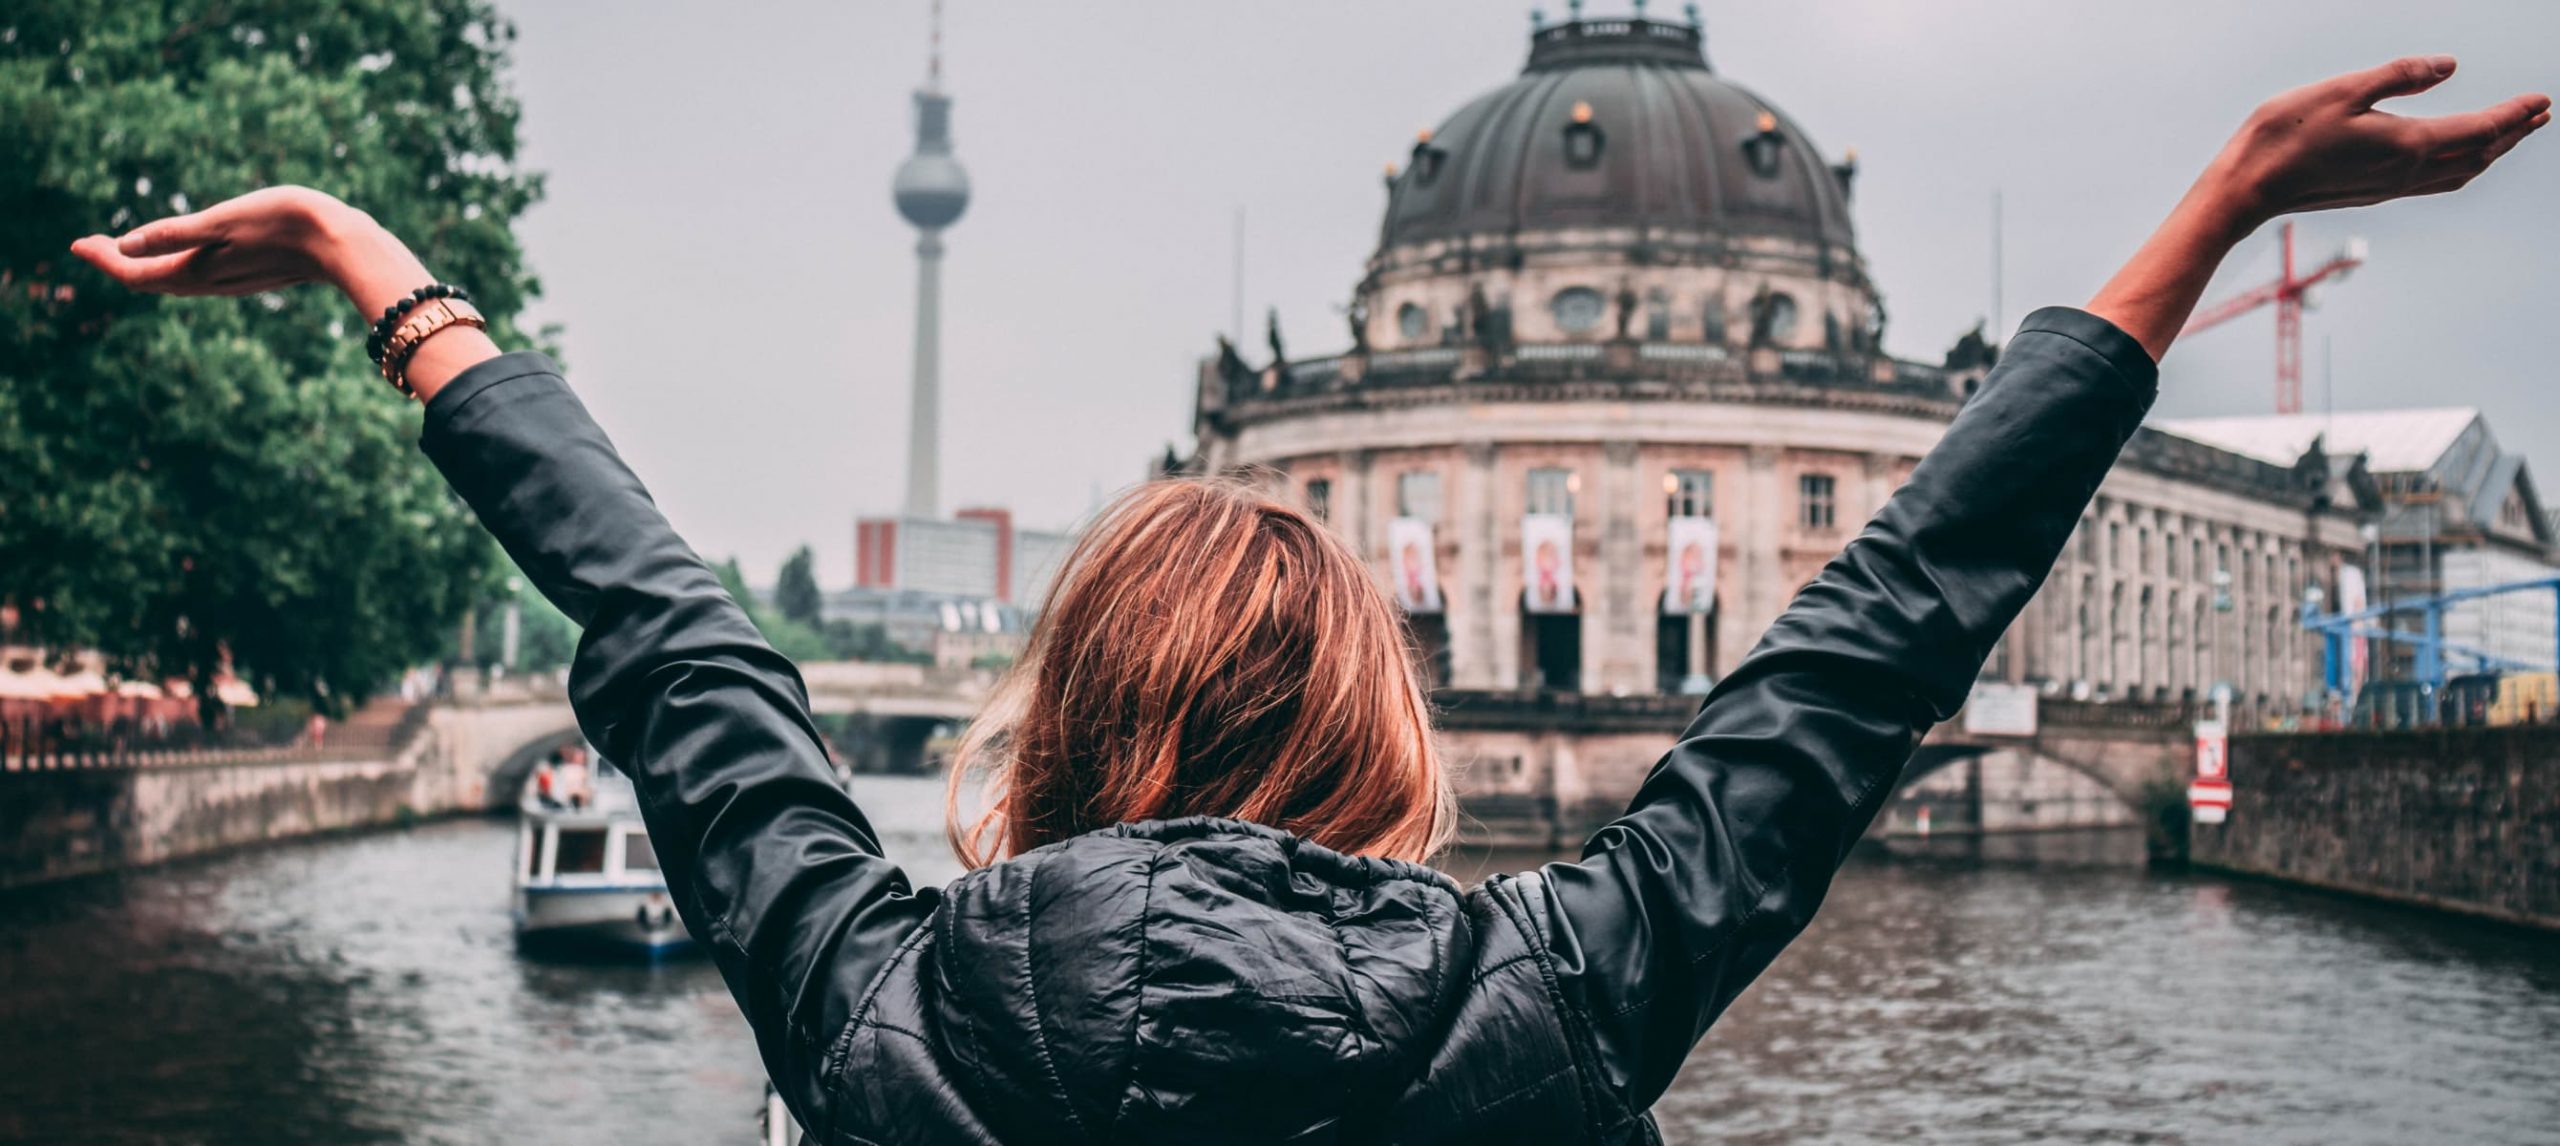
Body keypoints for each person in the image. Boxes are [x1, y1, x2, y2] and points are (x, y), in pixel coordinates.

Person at [72, 60, 2543, 1144]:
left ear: (1047, 720)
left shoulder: (875, 1009)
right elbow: (1873, 638)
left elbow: (659, 631)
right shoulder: (1540, 1009)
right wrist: (2203, 212)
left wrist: (374, 266)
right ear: (1379, 734)